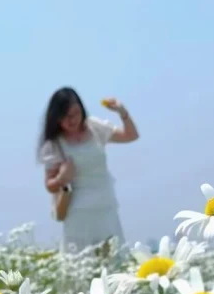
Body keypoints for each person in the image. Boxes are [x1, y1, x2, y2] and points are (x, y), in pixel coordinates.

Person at [37, 87, 139, 253]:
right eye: (66, 116)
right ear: (56, 118)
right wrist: (62, 177)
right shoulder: (54, 145)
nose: (72, 120)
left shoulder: (94, 127)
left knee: (114, 261)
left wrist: (122, 112)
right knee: (82, 265)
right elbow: (49, 185)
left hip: (105, 207)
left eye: (75, 113)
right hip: (77, 212)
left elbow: (131, 135)